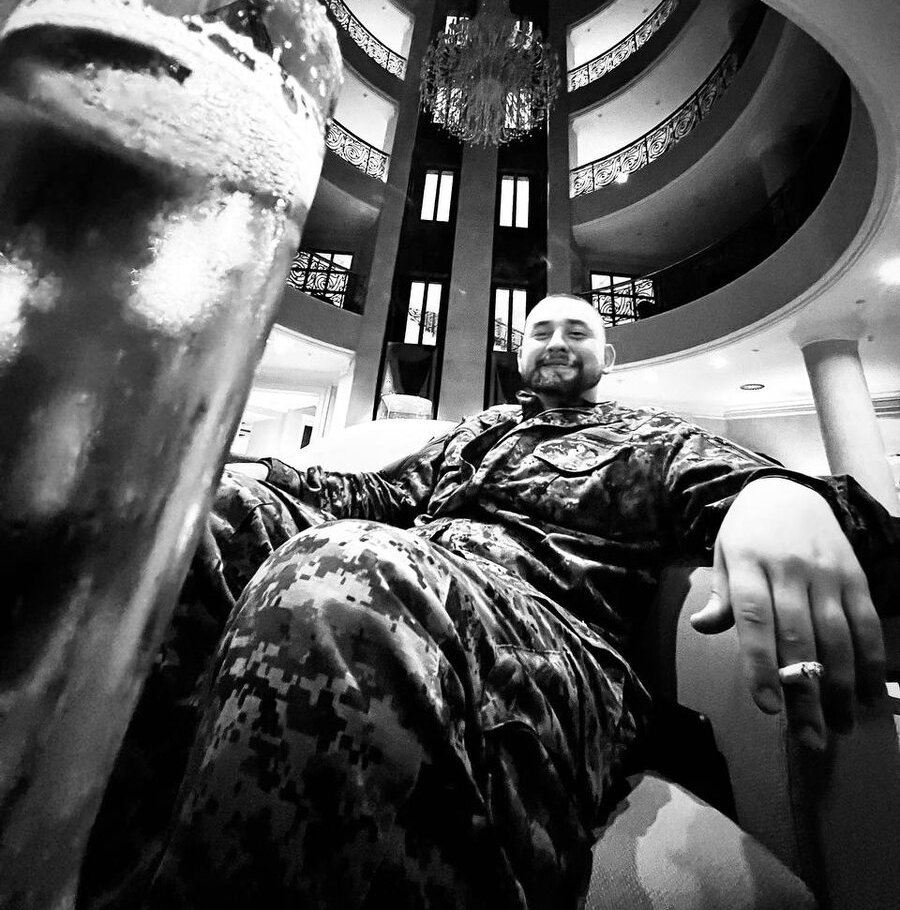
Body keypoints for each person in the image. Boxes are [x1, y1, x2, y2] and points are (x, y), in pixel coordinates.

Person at [130, 294, 898, 909]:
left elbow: (851, 527)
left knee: (347, 566)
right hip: (407, 578)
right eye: (541, 331)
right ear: (519, 350)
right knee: (204, 518)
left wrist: (780, 496)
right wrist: (245, 473)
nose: (557, 342)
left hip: (545, 648)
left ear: (608, 357)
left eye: (577, 331)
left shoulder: (654, 438)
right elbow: (373, 496)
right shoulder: (477, 433)